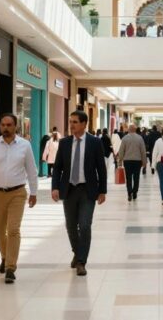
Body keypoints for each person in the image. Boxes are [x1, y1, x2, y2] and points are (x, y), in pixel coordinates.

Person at [0, 114, 38, 284]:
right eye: (3, 124)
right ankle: (4, 256)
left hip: (18, 193)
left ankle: (11, 266)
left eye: (9, 124)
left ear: (15, 126)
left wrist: (34, 192)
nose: (5, 127)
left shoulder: (25, 146)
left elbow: (32, 170)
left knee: (13, 230)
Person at [51, 111, 108, 276]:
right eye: (70, 122)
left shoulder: (95, 143)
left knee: (84, 225)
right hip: (68, 189)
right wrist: (55, 187)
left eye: (75, 122)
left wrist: (102, 191)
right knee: (70, 225)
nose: (72, 125)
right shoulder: (65, 143)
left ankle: (82, 261)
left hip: (87, 190)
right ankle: (77, 252)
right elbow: (58, 168)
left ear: (84, 124)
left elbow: (101, 169)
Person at [117, 123, 147, 201]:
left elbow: (121, 151)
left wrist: (120, 161)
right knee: (136, 177)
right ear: (135, 130)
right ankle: (135, 192)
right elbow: (143, 151)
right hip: (137, 161)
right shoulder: (140, 138)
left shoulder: (124, 138)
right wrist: (144, 162)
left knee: (128, 177)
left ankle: (129, 192)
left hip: (127, 161)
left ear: (129, 130)